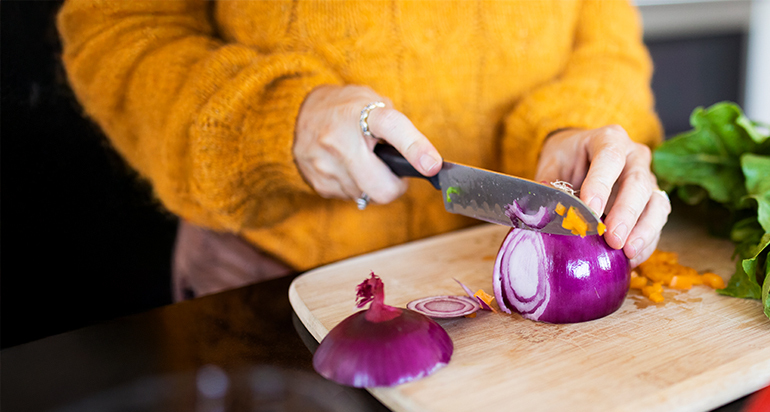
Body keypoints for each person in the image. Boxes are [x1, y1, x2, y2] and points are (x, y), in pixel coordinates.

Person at [57, 0, 668, 300]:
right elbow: (120, 27)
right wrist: (277, 120)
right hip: (275, 291)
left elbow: (602, 33)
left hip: (495, 303)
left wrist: (578, 128)